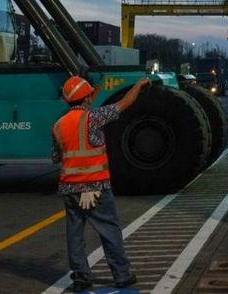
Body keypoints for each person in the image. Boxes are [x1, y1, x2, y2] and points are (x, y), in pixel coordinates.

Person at [52, 74, 150, 292]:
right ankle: (122, 275)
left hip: (69, 188)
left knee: (75, 232)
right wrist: (139, 85)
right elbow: (124, 103)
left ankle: (80, 277)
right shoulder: (94, 118)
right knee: (109, 230)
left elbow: (56, 157)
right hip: (96, 185)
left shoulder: (58, 125)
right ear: (86, 98)